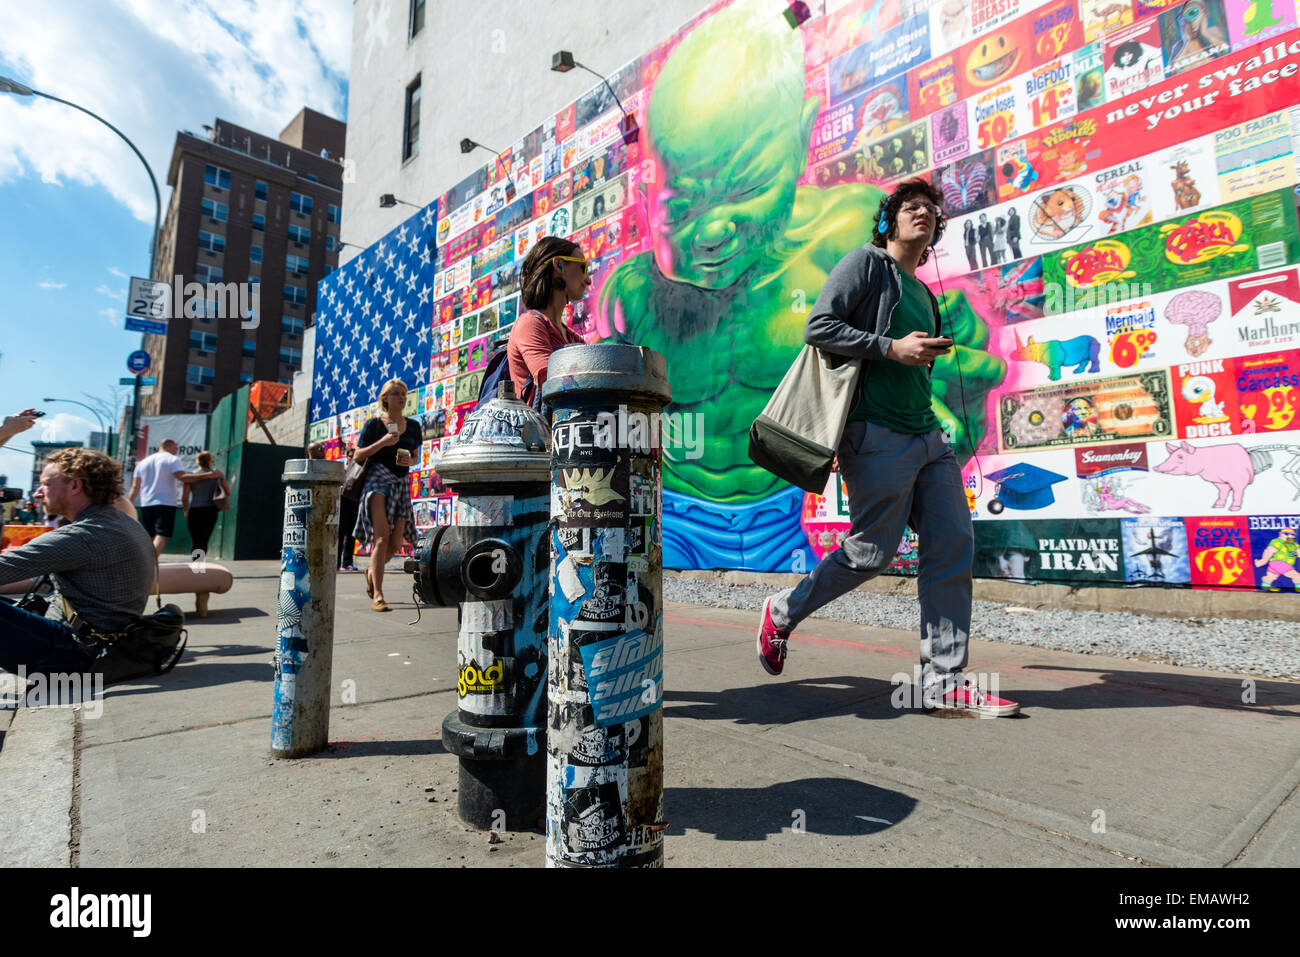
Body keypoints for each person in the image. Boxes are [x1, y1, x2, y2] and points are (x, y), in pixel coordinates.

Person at [755, 178, 1020, 717]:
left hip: (927, 437)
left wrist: (924, 354)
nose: (922, 212)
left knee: (951, 543)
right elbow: (820, 326)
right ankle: (783, 611)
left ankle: (943, 681)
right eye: (910, 206)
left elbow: (912, 360)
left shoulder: (924, 292)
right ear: (890, 220)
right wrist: (891, 347)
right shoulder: (866, 263)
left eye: (930, 208)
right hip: (873, 433)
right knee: (871, 552)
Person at [0, 448, 159, 677]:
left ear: (75, 486)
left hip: (75, 654)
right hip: (105, 645)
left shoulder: (83, 536)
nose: (37, 493)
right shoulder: (124, 522)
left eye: (45, 484)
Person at [352, 379, 422, 611]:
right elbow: (357, 455)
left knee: (394, 543)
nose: (400, 398)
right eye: (395, 394)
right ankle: (378, 595)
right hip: (377, 480)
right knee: (381, 538)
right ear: (385, 399)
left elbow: (415, 457)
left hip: (401, 482)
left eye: (403, 393)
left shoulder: (413, 426)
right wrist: (382, 443)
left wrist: (409, 460)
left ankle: (372, 572)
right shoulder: (374, 425)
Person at [507, 236, 588, 410]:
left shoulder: (575, 339)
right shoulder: (529, 324)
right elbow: (552, 384)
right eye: (582, 268)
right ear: (559, 265)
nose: (587, 279)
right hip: (539, 435)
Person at [127, 439, 215, 556]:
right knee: (161, 535)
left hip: (146, 503)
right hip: (165, 503)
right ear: (168, 446)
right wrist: (209, 475)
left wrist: (128, 504)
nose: (176, 451)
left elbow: (135, 486)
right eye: (175, 448)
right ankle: (150, 563)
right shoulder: (172, 459)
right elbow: (183, 477)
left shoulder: (142, 463)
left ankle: (146, 563)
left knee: (149, 536)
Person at [182, 451, 230, 558]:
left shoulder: (191, 476)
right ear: (210, 461)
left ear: (197, 461)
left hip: (194, 510)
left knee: (196, 539)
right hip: (210, 510)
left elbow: (185, 497)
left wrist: (186, 510)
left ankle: (196, 565)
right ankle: (199, 566)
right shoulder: (218, 474)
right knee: (204, 539)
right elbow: (228, 492)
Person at [337, 445, 359, 572]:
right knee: (340, 534)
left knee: (351, 534)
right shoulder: (342, 469)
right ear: (347, 457)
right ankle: (336, 563)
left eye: (354, 457)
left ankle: (347, 563)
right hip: (342, 503)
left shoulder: (358, 470)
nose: (353, 459)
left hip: (354, 503)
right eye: (351, 456)